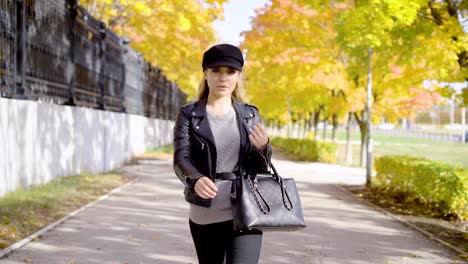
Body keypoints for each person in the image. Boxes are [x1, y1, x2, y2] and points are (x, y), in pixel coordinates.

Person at [173, 44, 272, 264]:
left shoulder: (250, 114)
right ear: (205, 73)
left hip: (245, 208)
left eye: (230, 72)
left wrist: (263, 147)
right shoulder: (190, 115)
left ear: (238, 76)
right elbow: (181, 158)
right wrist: (195, 178)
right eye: (216, 70)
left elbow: (261, 167)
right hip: (206, 212)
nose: (223, 77)